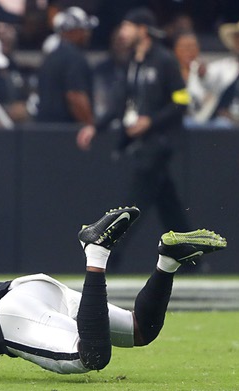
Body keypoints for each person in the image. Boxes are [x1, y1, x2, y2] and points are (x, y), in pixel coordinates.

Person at [0, 207, 226, 379]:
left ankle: (96, 253)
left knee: (90, 356)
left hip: (9, 319)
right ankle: (167, 260)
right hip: (29, 287)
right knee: (138, 330)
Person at [76, 8, 192, 269]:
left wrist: (151, 120)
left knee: (135, 200)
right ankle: (190, 255)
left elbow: (181, 101)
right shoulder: (131, 62)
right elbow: (120, 102)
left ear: (143, 30)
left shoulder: (164, 60)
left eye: (128, 27)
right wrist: (96, 126)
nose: (122, 32)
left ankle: (111, 254)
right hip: (142, 143)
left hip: (159, 142)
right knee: (168, 204)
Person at [35, 6, 98, 128]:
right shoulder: (74, 58)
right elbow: (75, 96)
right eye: (83, 29)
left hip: (43, 130)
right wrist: (90, 126)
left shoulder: (50, 57)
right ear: (72, 31)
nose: (87, 34)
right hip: (67, 132)